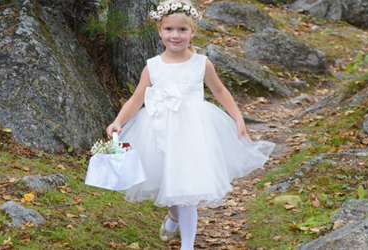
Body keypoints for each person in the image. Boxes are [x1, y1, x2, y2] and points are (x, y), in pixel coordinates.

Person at [105, 0, 275, 249]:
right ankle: (173, 215)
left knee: (185, 189)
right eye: (169, 30)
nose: (175, 35)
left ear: (193, 31)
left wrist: (238, 118)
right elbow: (136, 99)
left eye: (182, 30)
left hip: (192, 131)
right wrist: (118, 121)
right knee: (167, 182)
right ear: (160, 31)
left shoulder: (201, 64)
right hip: (158, 129)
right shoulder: (152, 66)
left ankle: (187, 245)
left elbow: (220, 90)